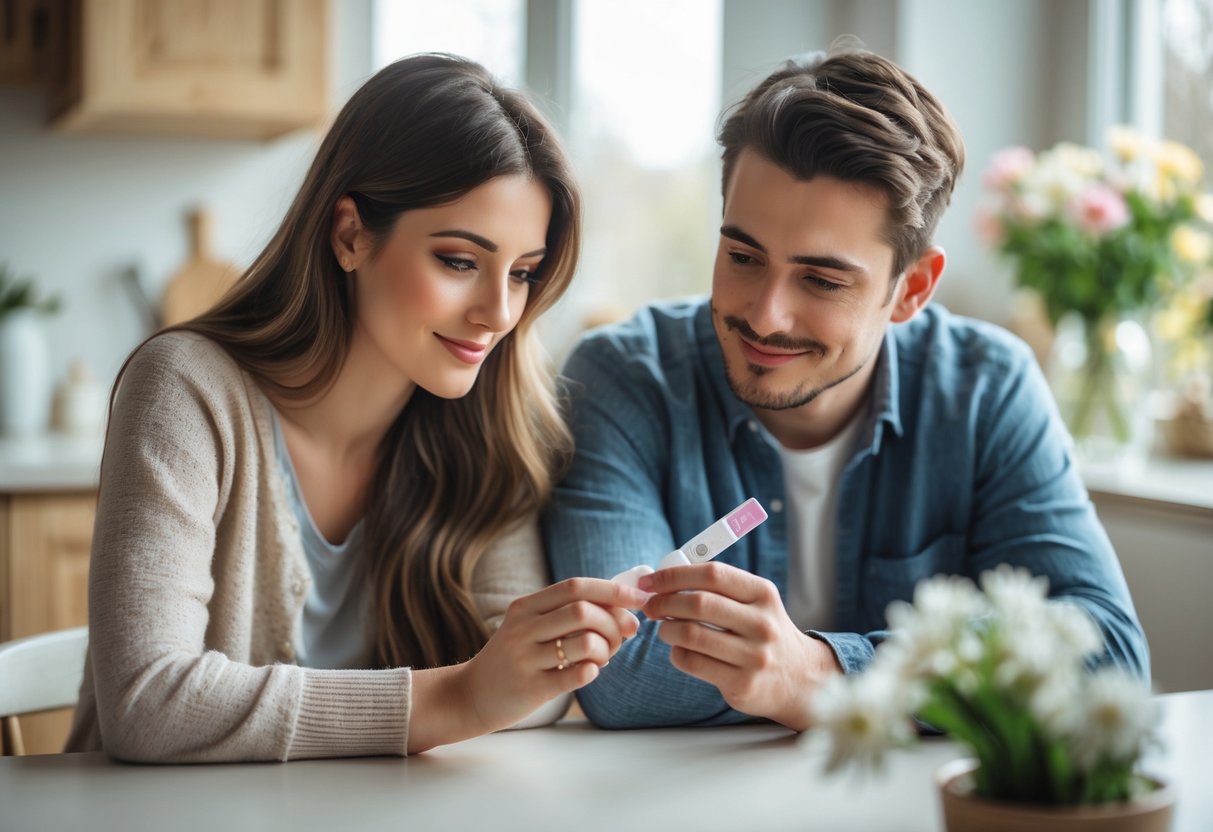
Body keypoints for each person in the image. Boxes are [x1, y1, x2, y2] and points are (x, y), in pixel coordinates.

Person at [543, 45, 1149, 731]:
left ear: (911, 287)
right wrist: (936, 674)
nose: (764, 315)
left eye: (822, 280)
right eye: (742, 256)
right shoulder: (621, 378)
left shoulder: (986, 390)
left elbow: (1105, 653)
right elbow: (624, 678)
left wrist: (820, 672)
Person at [65, 54, 649, 763]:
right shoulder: (187, 390)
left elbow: (535, 688)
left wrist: (535, 664)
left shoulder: (488, 420)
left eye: (522, 272)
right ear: (350, 234)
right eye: (460, 261)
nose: (498, 312)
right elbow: (148, 704)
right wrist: (459, 697)